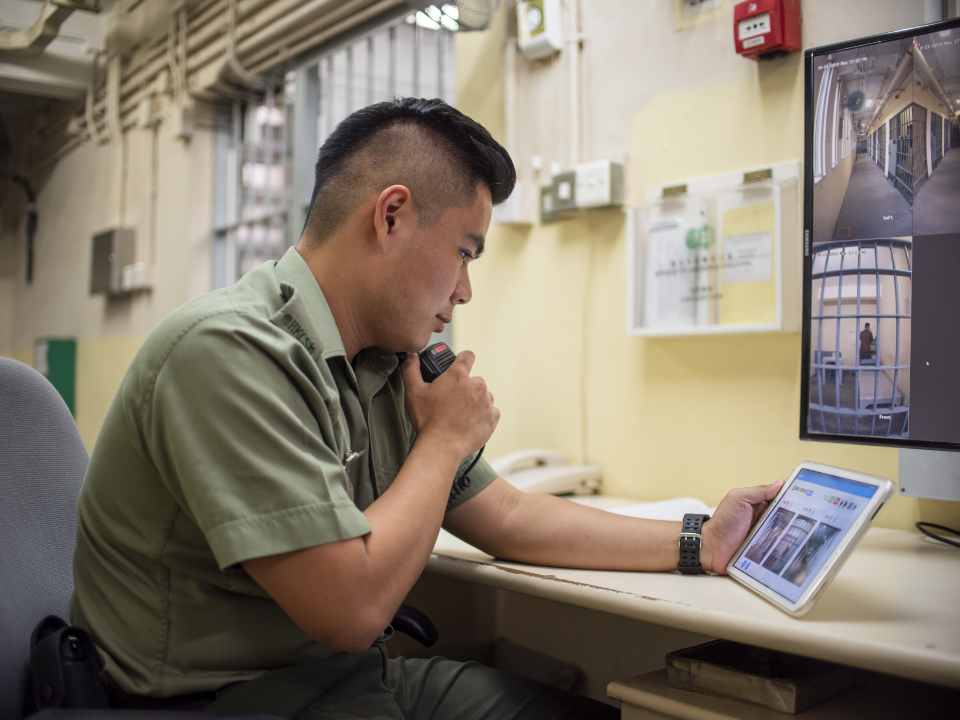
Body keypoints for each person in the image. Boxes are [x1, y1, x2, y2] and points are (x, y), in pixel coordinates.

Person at [69, 98, 782, 719]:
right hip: (227, 703)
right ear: (391, 216)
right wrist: (442, 440)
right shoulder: (225, 354)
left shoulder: (383, 363)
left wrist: (700, 540)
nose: (466, 290)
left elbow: (503, 515)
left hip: (345, 683)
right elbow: (352, 611)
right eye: (466, 252)